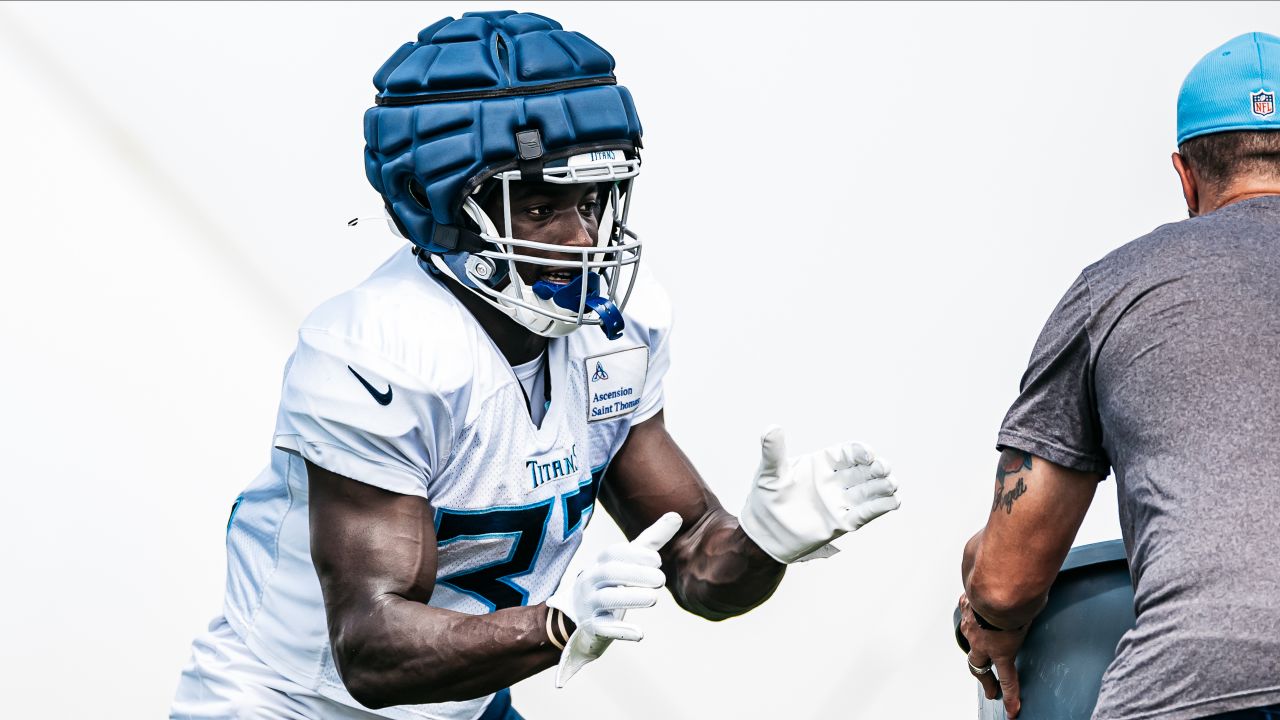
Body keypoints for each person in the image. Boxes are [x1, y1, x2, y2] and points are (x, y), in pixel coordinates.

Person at [170, 11, 901, 720]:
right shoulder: (380, 350)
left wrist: (760, 543)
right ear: (446, 207)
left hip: (465, 707)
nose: (584, 239)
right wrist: (553, 627)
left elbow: (697, 568)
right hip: (293, 708)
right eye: (544, 207)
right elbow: (370, 650)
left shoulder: (619, 331)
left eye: (591, 201)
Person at [957, 31, 1280, 720]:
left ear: (1185, 175)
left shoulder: (1115, 287)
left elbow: (1008, 582)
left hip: (1191, 689)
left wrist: (989, 617)